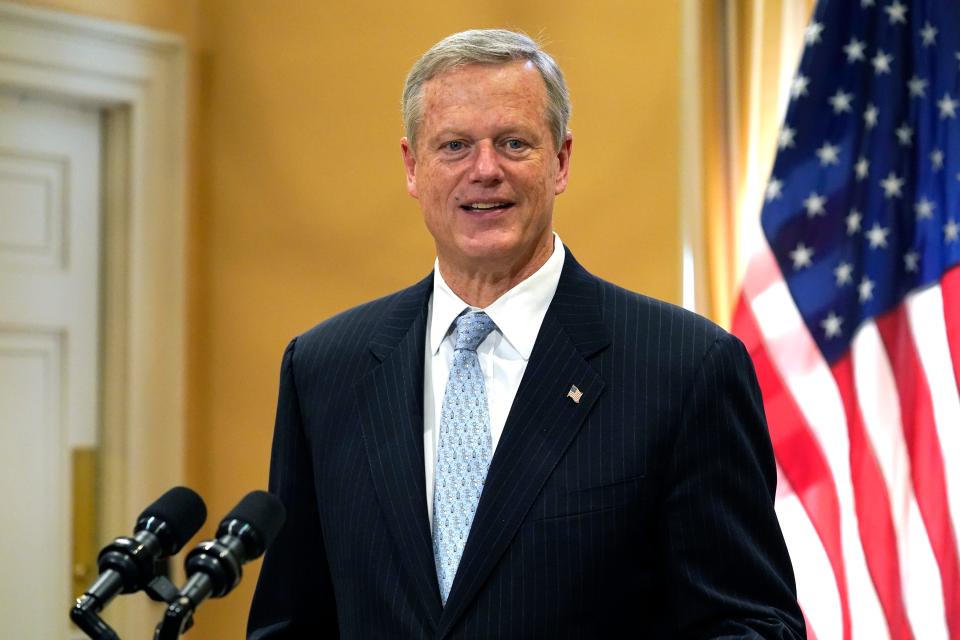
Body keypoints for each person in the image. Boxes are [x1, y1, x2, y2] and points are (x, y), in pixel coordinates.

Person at [248, 29, 805, 639]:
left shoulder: (684, 367)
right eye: (454, 146)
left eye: (514, 143)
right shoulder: (325, 368)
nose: (484, 170)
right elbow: (289, 623)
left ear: (561, 161)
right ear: (412, 166)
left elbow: (750, 624)